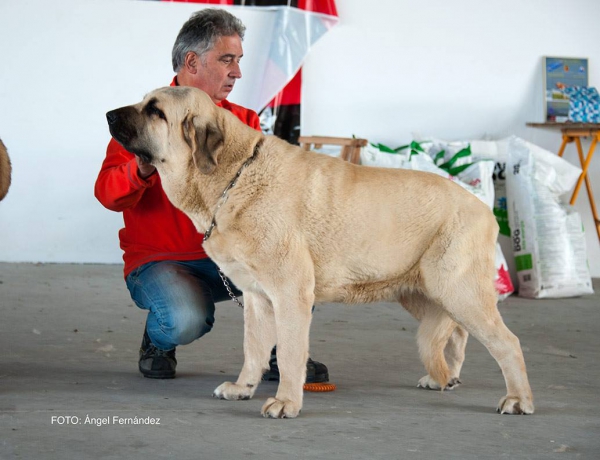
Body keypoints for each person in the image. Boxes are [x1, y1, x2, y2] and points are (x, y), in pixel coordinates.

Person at [95, 8, 328, 383]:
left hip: (229, 255)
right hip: (163, 262)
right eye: (227, 60)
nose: (237, 72)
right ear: (192, 62)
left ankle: (279, 352)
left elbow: (265, 197)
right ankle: (158, 338)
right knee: (185, 320)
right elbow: (108, 195)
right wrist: (140, 170)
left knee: (290, 270)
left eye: (238, 61)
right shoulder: (142, 120)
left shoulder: (244, 121)